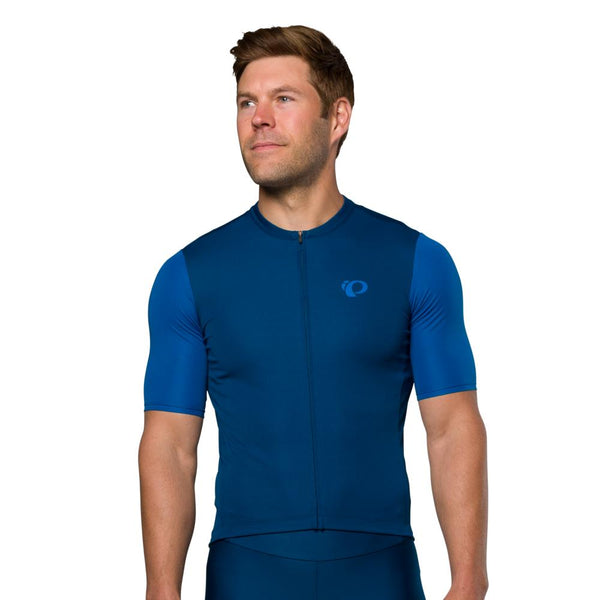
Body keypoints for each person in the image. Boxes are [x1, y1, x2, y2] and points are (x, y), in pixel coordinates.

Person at [138, 25, 488, 600]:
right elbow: (170, 444)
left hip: (380, 571)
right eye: (246, 102)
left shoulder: (415, 262)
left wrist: (470, 581)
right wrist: (161, 590)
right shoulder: (190, 275)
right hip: (248, 573)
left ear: (338, 118)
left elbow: (451, 427)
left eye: (283, 98)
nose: (259, 118)